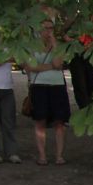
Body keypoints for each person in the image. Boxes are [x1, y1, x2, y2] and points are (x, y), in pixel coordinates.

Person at [24, 20, 71, 166]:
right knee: (40, 121)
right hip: (39, 86)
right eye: (46, 28)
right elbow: (30, 67)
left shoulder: (58, 46)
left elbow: (58, 64)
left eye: (51, 28)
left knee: (59, 122)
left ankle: (59, 156)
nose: (49, 31)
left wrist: (54, 44)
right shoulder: (31, 46)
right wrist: (50, 66)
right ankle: (42, 156)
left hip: (57, 86)